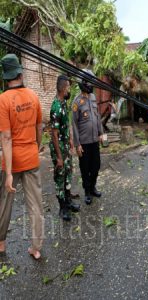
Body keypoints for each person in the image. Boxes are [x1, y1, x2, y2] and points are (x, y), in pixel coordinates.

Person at [0, 54, 44, 259]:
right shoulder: (34, 96)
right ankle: (36, 248)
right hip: (31, 157)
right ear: (19, 72)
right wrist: (37, 146)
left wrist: (9, 173)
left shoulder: (3, 99)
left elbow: (6, 138)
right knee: (35, 204)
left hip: (13, 161)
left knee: (5, 202)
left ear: (6, 76)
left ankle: (1, 243)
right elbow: (39, 128)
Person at [49, 75, 80, 222]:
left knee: (68, 174)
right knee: (60, 177)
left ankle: (68, 201)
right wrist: (59, 157)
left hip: (66, 146)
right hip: (59, 149)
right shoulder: (55, 106)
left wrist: (70, 139)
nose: (69, 90)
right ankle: (62, 208)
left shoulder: (63, 103)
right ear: (62, 88)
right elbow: (54, 134)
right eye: (68, 87)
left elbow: (64, 125)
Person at [72, 70, 103, 205]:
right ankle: (87, 192)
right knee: (85, 168)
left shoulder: (93, 98)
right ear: (83, 83)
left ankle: (93, 186)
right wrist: (77, 144)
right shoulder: (77, 102)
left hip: (95, 140)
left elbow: (98, 117)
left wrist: (101, 133)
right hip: (83, 143)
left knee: (96, 166)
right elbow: (73, 124)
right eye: (89, 82)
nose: (91, 85)